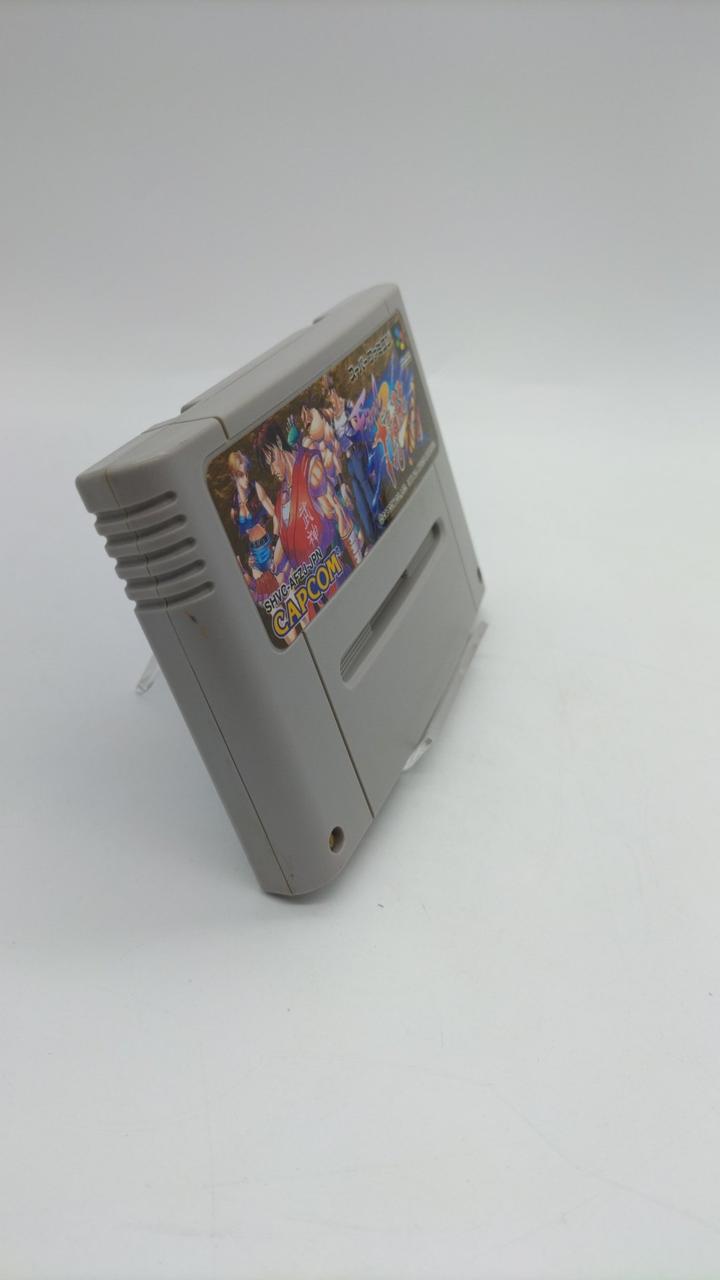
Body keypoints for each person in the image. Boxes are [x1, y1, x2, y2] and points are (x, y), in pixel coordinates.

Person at [325, 376, 379, 546]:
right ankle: (372, 536)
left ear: (334, 390)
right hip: (348, 460)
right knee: (359, 499)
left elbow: (359, 426)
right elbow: (336, 443)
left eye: (330, 392)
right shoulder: (332, 417)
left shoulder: (347, 404)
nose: (330, 398)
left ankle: (381, 520)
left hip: (357, 453)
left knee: (366, 488)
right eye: (327, 395)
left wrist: (352, 422)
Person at [226, 450, 282, 604]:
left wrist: (274, 542)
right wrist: (247, 560)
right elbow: (240, 541)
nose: (246, 478)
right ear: (234, 476)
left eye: (247, 473)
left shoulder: (256, 488)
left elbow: (275, 515)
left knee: (290, 595)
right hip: (255, 562)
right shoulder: (234, 508)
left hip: (271, 553)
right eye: (241, 475)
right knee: (272, 605)